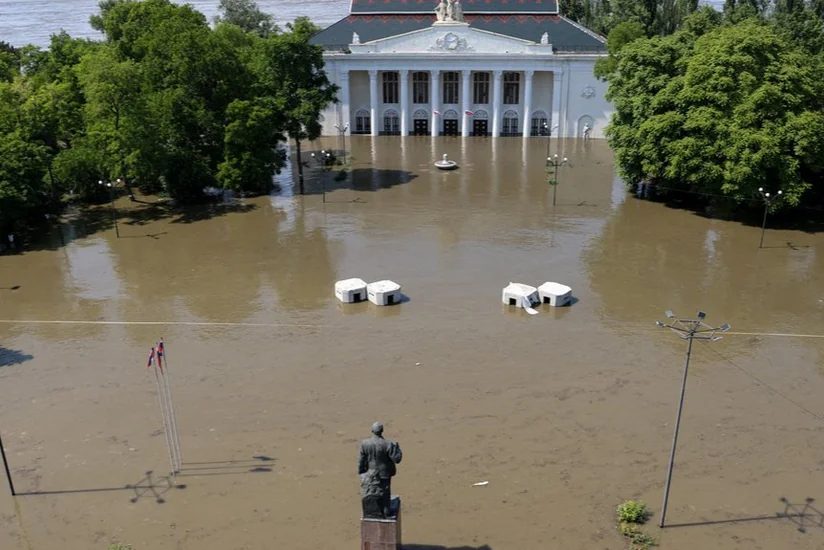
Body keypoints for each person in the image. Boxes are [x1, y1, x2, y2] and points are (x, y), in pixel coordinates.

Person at [358, 422, 402, 519]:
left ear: (372, 431)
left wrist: (361, 472)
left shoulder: (365, 443)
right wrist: (398, 449)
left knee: (371, 491)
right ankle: (386, 512)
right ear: (382, 431)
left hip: (370, 472)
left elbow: (361, 459)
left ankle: (372, 511)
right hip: (384, 473)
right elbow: (397, 459)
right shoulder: (388, 444)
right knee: (385, 493)